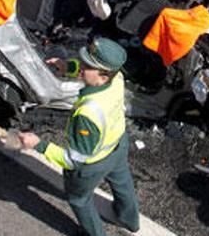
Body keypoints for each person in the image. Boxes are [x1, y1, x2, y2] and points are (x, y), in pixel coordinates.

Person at [18, 38, 140, 236]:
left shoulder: (88, 113)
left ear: (103, 76)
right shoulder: (116, 78)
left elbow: (74, 160)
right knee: (122, 182)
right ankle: (130, 220)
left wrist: (38, 145)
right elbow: (87, 74)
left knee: (79, 199)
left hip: (93, 164)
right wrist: (66, 66)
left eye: (87, 65)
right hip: (118, 144)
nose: (81, 67)